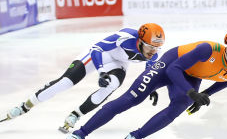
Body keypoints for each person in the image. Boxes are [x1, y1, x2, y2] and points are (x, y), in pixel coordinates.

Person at [61, 29, 227, 139]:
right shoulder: (207, 50)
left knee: (178, 107)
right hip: (171, 64)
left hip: (191, 75)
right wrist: (191, 92)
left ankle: (135, 137)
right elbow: (173, 70)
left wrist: (203, 96)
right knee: (132, 99)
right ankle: (81, 133)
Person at [3, 24, 164, 132]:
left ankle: (76, 115)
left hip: (120, 63)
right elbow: (96, 49)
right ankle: (25, 105)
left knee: (112, 85)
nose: (153, 52)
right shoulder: (125, 36)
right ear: (140, 41)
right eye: (150, 47)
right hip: (101, 55)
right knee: (66, 82)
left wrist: (152, 86)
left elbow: (149, 72)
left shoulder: (154, 53)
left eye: (157, 48)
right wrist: (101, 72)